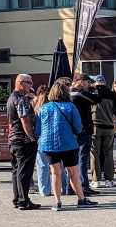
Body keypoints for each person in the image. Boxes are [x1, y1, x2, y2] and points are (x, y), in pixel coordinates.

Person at [35, 81, 92, 211]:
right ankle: (81, 199)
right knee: (73, 172)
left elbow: (37, 130)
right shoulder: (70, 106)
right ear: (66, 93)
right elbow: (78, 127)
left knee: (55, 173)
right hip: (68, 144)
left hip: (48, 145)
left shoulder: (43, 108)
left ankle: (57, 202)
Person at [7, 74, 40, 210]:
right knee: (24, 171)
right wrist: (32, 138)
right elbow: (24, 120)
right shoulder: (20, 99)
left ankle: (17, 198)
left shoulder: (12, 97)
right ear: (20, 83)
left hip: (14, 139)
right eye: (29, 83)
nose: (31, 85)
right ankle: (23, 200)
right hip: (23, 140)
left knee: (17, 170)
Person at [34, 85, 67, 196]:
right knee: (59, 165)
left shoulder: (37, 108)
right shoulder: (57, 106)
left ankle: (44, 190)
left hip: (42, 140)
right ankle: (63, 187)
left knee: (42, 165)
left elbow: (37, 129)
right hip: (58, 139)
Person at [70, 75, 100, 196]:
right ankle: (83, 186)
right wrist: (94, 89)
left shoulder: (71, 93)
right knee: (82, 159)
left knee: (74, 160)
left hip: (76, 130)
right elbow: (97, 99)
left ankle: (73, 186)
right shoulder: (78, 94)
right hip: (83, 130)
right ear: (81, 82)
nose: (91, 85)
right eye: (89, 82)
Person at [90, 75, 116, 187]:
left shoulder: (92, 94)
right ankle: (109, 180)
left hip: (95, 127)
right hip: (109, 127)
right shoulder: (112, 94)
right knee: (108, 153)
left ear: (95, 83)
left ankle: (96, 180)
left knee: (94, 153)